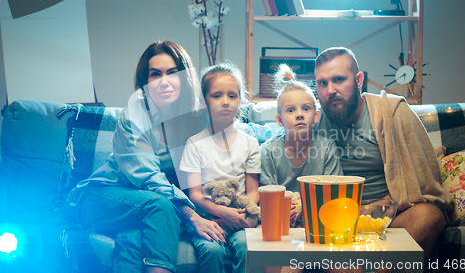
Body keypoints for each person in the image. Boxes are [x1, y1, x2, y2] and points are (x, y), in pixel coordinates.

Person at [67, 40, 225, 273]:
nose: (164, 81)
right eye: (155, 74)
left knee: (134, 237)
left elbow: (236, 133)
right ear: (145, 82)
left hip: (146, 208)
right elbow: (149, 178)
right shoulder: (134, 116)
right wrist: (193, 217)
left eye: (172, 72)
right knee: (160, 205)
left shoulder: (197, 117)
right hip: (101, 198)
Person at [313, 47, 453, 264]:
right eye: (322, 83)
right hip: (336, 221)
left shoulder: (393, 112)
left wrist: (376, 207)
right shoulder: (312, 121)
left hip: (389, 217)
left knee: (429, 216)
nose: (330, 90)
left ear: (359, 80)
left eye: (339, 79)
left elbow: (425, 182)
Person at [179, 62, 261, 273]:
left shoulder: (250, 143)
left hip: (240, 216)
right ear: (203, 101)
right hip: (208, 217)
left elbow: (252, 191)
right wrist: (222, 213)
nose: (225, 102)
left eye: (232, 96)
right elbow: (195, 194)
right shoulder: (194, 143)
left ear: (240, 100)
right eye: (216, 96)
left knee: (247, 246)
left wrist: (238, 214)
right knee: (212, 251)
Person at [260, 64, 343, 228]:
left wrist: (303, 207)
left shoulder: (327, 148)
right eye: (290, 110)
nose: (299, 114)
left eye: (306, 108)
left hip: (318, 219)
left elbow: (334, 193)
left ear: (316, 116)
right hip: (280, 221)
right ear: (279, 120)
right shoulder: (268, 151)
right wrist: (287, 209)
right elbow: (268, 198)